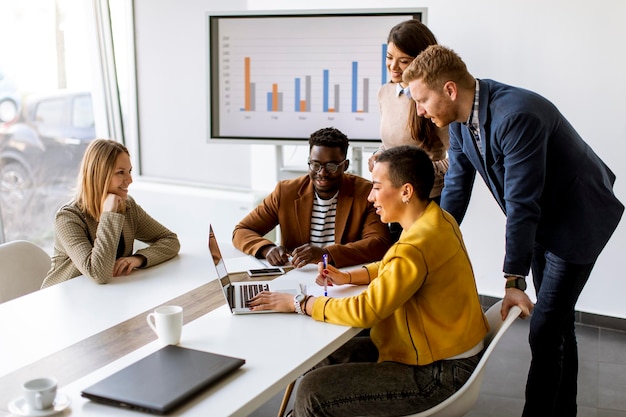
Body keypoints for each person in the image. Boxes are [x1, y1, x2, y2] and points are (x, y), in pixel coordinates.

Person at [403, 45, 624, 416]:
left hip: (577, 219)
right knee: (558, 325)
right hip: (541, 220)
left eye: (422, 100)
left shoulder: (516, 115)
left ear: (450, 90)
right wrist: (421, 243)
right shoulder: (457, 121)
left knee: (543, 328)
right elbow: (456, 188)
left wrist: (512, 281)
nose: (420, 111)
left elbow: (522, 204)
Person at [248, 145, 489, 416]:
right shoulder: (438, 221)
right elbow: (395, 266)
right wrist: (348, 276)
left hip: (439, 373)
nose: (371, 197)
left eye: (376, 186)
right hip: (445, 351)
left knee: (313, 391)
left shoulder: (414, 247)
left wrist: (300, 303)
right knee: (327, 356)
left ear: (406, 191)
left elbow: (366, 310)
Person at [233, 127, 391, 269]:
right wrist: (267, 249)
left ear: (345, 165)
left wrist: (326, 254)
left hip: (343, 277)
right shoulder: (286, 192)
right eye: (315, 164)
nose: (322, 173)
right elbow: (242, 231)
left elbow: (379, 243)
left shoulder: (365, 193)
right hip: (297, 275)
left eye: (331, 166)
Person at [41, 139, 180, 288]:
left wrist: (138, 259)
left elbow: (170, 240)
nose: (130, 180)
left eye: (130, 171)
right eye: (121, 172)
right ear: (98, 175)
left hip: (106, 296)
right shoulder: (68, 218)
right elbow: (98, 273)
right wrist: (109, 215)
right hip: (62, 300)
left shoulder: (128, 207)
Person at [368, 19, 449, 203]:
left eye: (403, 61)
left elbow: (459, 159)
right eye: (389, 57)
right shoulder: (385, 93)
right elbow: (392, 144)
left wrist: (416, 172)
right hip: (394, 196)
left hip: (426, 198)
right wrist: (379, 156)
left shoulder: (434, 100)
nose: (393, 67)